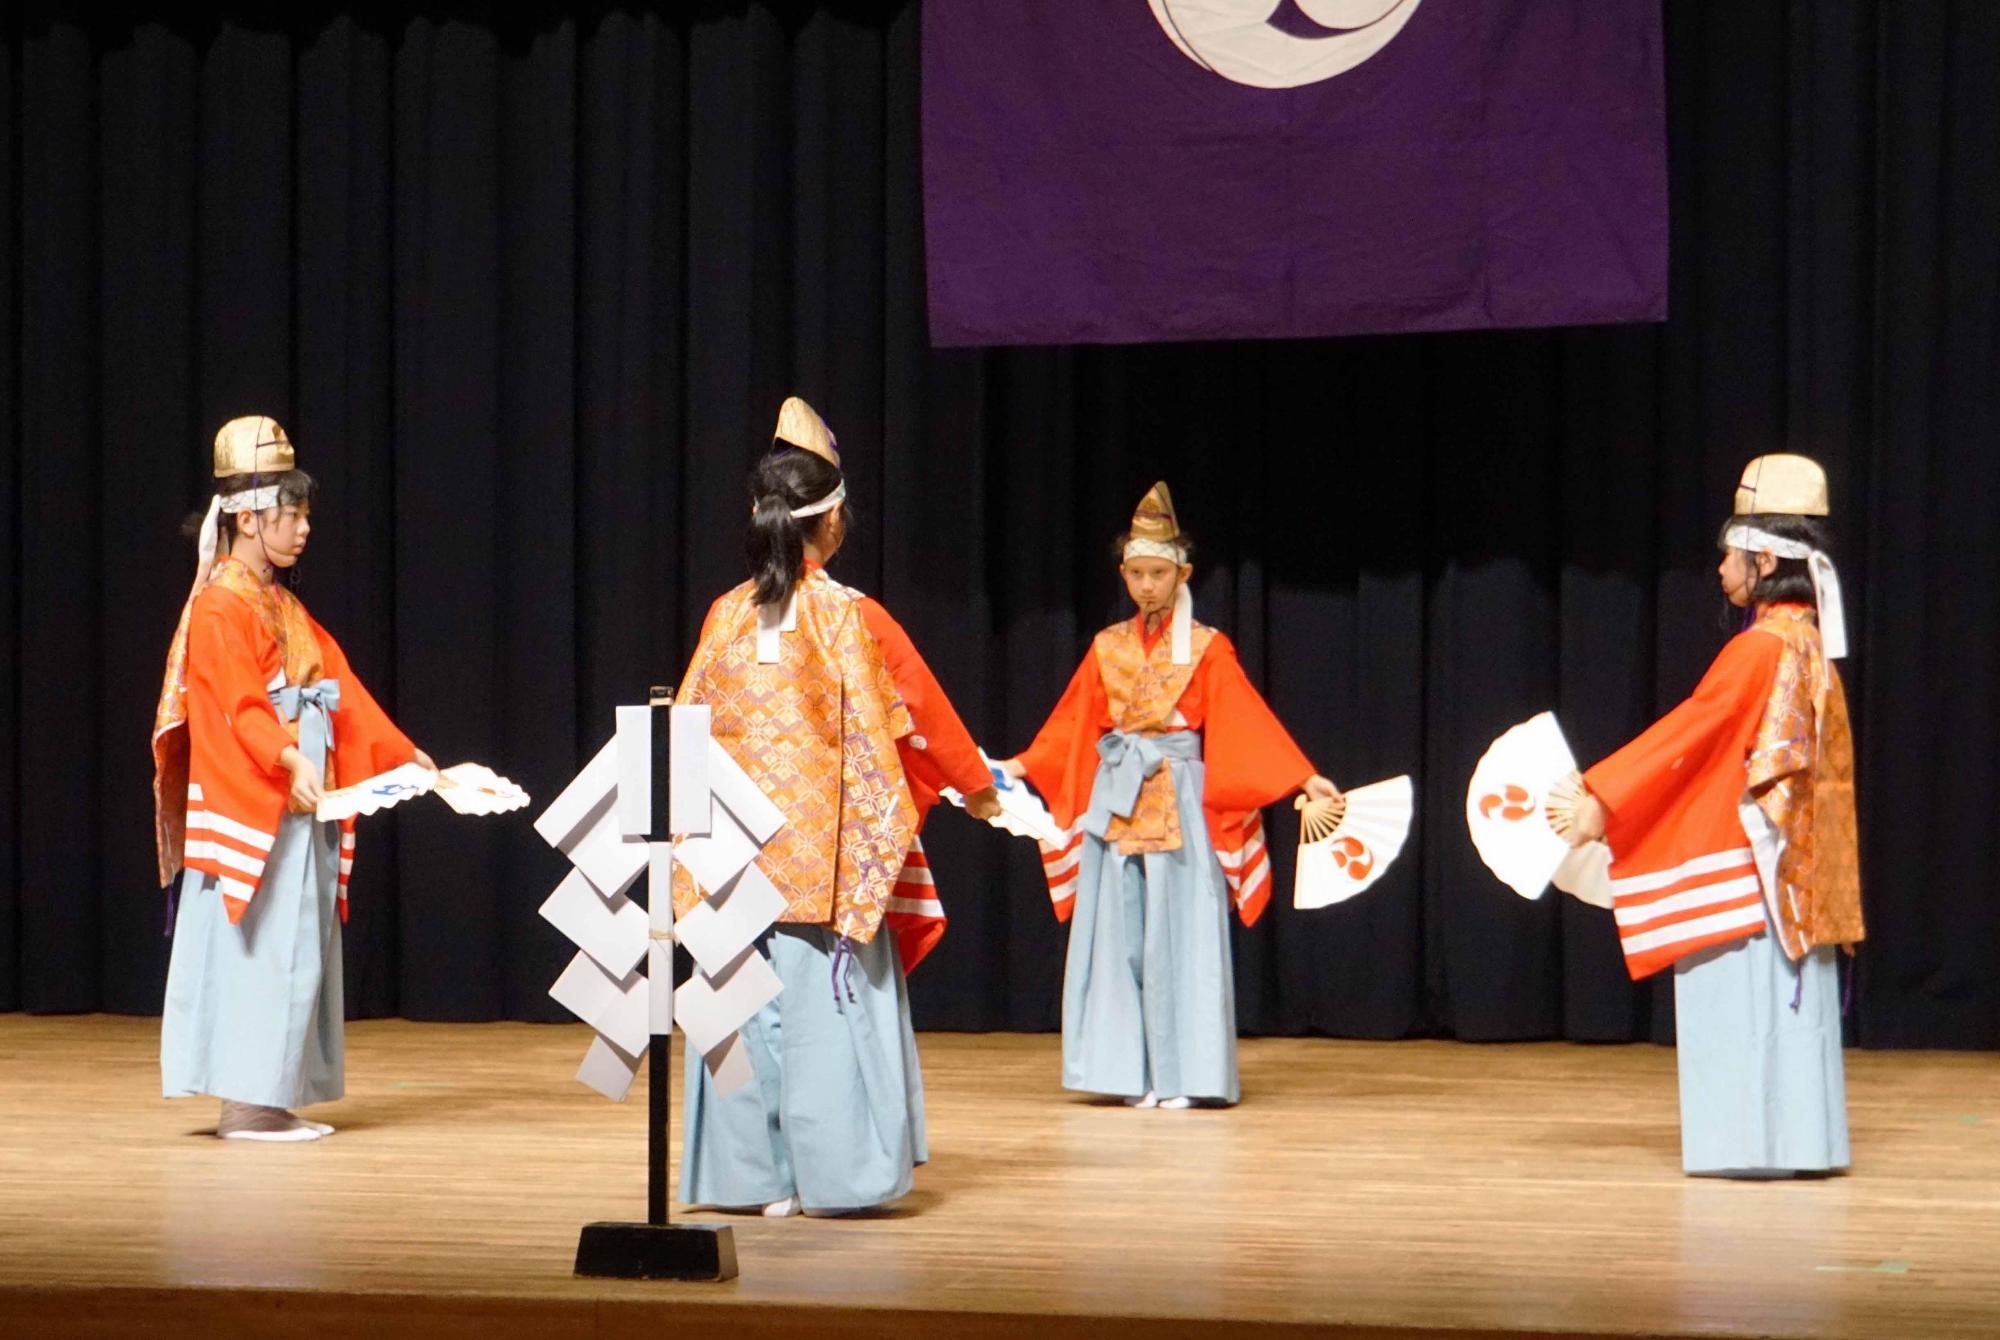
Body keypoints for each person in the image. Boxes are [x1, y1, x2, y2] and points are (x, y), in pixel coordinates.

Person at [673, 396, 1000, 1216]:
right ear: (835, 523)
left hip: (730, 862)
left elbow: (684, 729)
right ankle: (836, 1177)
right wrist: (979, 789)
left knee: (745, 1013)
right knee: (825, 1017)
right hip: (824, 861)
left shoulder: (725, 615)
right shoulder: (852, 616)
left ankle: (753, 1178)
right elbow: (922, 716)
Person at [1557, 453, 1861, 1177]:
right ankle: (1802, 1142)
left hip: (1751, 861)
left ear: (1763, 559)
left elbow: (1698, 731)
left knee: (1741, 1001)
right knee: (1786, 1005)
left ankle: (1749, 1147)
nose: (1721, 568)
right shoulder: (1809, 642)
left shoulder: (1759, 648)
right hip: (1796, 861)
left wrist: (1607, 795)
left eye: (1731, 553)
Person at [994, 483, 1338, 1109]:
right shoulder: (1108, 646)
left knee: (1180, 936)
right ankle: (1127, 1072)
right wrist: (1020, 764)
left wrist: (1301, 776)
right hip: (1118, 794)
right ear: (1123, 573)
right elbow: (1074, 722)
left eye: (1158, 573)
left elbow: (1244, 718)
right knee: (1118, 935)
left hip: (1179, 796)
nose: (1147, 586)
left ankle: (1185, 1075)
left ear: (1183, 573)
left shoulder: (1207, 648)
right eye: (1136, 574)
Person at [152, 416, 433, 1141]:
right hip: (261, 791)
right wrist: (286, 757)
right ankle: (246, 1103)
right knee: (262, 947)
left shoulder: (278, 603)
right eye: (292, 513)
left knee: (297, 942)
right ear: (248, 518)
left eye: (304, 513)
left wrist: (405, 754)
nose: (304, 527)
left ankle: (268, 1098)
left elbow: (339, 683)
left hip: (299, 792)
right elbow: (237, 703)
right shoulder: (220, 604)